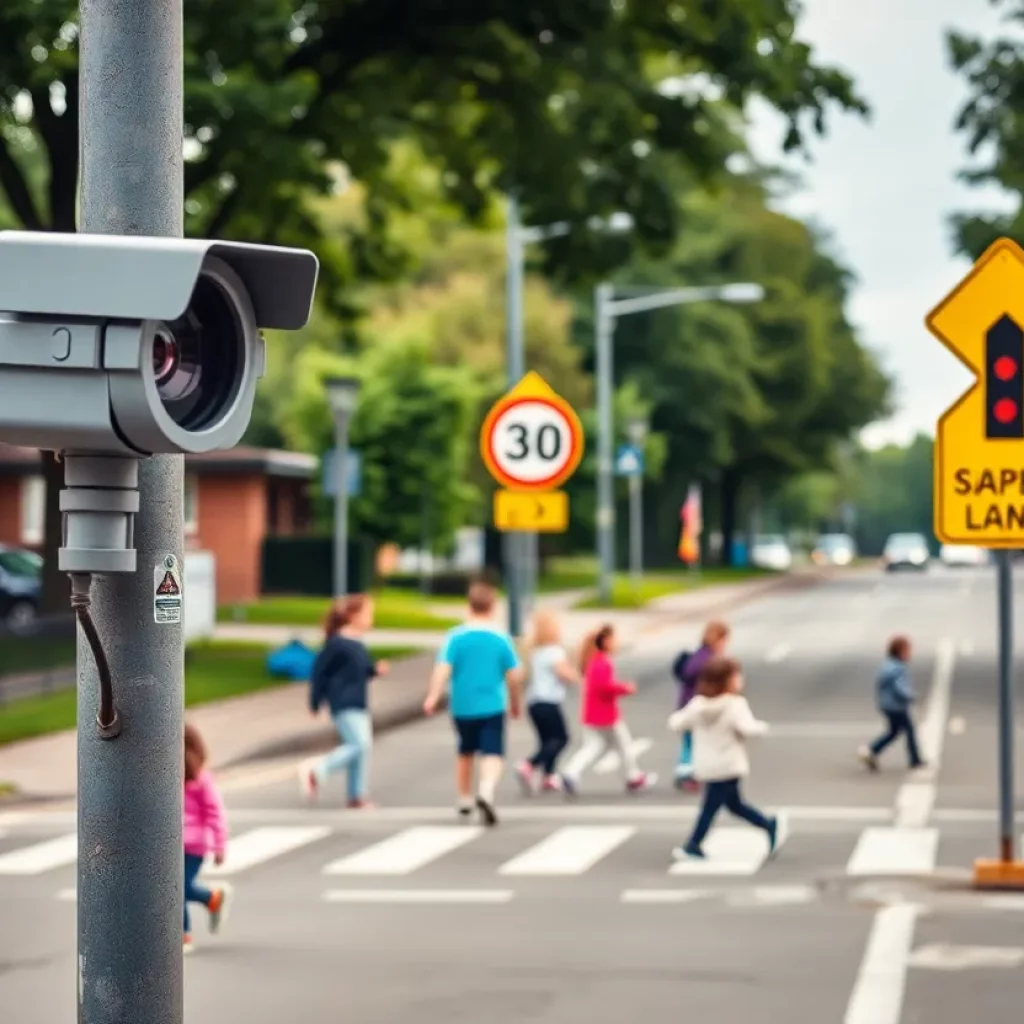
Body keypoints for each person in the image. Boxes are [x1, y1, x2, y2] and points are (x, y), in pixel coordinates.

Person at [423, 581, 524, 826]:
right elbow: (514, 676)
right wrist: (515, 702)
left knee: (465, 751)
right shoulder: (501, 638)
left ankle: (465, 798)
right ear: (492, 606)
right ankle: (486, 790)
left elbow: (442, 668)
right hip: (492, 704)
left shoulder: (456, 637)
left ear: (469, 605)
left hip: (462, 705)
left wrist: (433, 696)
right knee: (493, 752)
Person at [667, 656, 783, 861]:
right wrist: (762, 727)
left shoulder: (698, 705)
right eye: (737, 676)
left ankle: (695, 844)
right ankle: (694, 845)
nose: (741, 680)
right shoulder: (735, 705)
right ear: (727, 681)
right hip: (729, 765)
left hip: (708, 766)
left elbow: (676, 723)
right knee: (726, 806)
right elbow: (747, 728)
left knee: (721, 806)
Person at [301, 594, 389, 808]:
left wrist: (375, 671)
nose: (371, 619)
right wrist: (315, 701)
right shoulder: (336, 644)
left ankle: (356, 795)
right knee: (359, 745)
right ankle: (318, 770)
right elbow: (319, 673)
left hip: (358, 701)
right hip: (342, 701)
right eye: (367, 614)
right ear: (353, 616)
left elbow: (361, 670)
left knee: (361, 749)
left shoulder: (357, 643)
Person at [560, 625, 657, 795]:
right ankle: (632, 776)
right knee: (623, 744)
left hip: (593, 713)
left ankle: (571, 772)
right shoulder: (602, 663)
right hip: (605, 714)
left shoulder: (594, 661)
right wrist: (625, 688)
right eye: (614, 640)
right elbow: (604, 687)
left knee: (595, 746)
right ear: (605, 641)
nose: (617, 643)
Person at [514, 608, 580, 794]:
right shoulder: (554, 651)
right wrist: (578, 677)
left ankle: (548, 776)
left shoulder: (534, 652)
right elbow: (563, 673)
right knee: (562, 738)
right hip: (548, 702)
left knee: (546, 741)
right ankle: (529, 764)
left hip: (534, 703)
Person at [183, 723, 232, 954]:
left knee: (177, 887)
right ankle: (212, 898)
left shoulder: (201, 780)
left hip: (193, 847)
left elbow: (215, 813)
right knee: (173, 887)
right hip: (169, 845)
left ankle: (183, 935)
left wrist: (219, 846)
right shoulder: (163, 778)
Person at [673, 620, 730, 790]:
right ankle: (685, 774)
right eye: (724, 641)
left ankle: (687, 772)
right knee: (691, 742)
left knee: (691, 741)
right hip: (693, 707)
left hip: (690, 704)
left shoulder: (702, 655)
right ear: (718, 639)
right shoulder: (705, 659)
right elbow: (694, 676)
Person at [858, 635, 926, 771]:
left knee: (894, 731)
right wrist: (910, 696)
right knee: (908, 731)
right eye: (908, 650)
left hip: (887, 704)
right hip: (897, 706)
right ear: (900, 651)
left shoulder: (887, 666)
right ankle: (914, 759)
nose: (910, 654)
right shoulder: (899, 668)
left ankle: (872, 750)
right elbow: (899, 687)